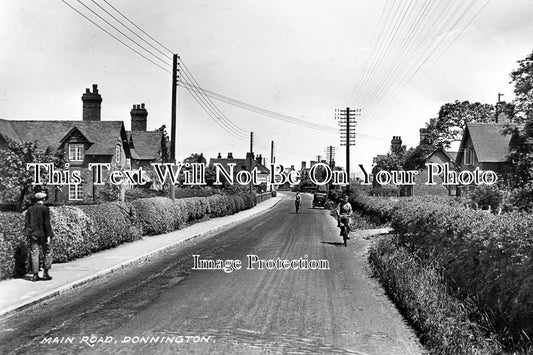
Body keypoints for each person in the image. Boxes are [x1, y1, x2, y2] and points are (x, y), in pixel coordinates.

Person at [24, 192, 54, 282]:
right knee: (48, 252)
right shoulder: (45, 209)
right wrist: (48, 235)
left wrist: (28, 234)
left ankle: (35, 275)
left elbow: (27, 223)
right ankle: (45, 273)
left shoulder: (30, 209)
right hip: (43, 235)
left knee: (34, 254)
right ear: (43, 199)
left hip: (33, 235)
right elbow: (46, 223)